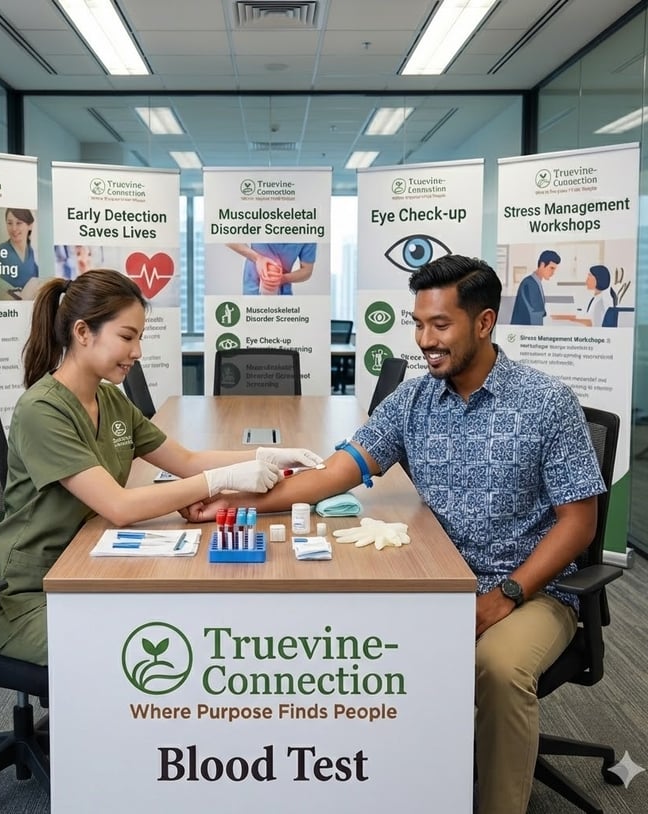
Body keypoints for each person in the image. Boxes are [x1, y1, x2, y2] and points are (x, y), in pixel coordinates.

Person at [183, 254, 605, 814]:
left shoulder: (546, 404)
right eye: (418, 322)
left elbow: (580, 523)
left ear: (483, 323)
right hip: (435, 577)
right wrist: (232, 500)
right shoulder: (413, 400)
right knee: (345, 645)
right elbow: (334, 472)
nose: (424, 339)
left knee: (498, 670)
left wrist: (503, 597)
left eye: (440, 325)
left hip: (528, 590)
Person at [0, 269, 321, 666]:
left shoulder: (110, 400)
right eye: (127, 336)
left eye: (139, 337)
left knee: (172, 630)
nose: (137, 352)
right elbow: (118, 507)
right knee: (144, 651)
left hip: (88, 568)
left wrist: (264, 456)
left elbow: (186, 461)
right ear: (83, 332)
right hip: (28, 595)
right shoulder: (43, 410)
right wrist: (221, 480)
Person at [226, 242, 316, 294]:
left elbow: (307, 270)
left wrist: (281, 279)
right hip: (253, 289)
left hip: (283, 292)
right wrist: (258, 258)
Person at [510, 249, 560, 325]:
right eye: (551, 268)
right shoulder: (530, 284)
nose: (553, 273)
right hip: (525, 331)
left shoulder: (535, 282)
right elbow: (536, 314)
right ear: (542, 265)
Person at [0, 208, 39, 291]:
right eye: (9, 223)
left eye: (19, 223)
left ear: (30, 225)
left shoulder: (31, 252)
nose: (14, 228)